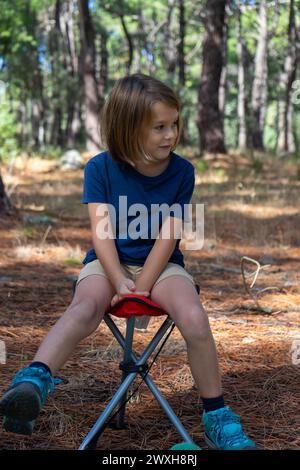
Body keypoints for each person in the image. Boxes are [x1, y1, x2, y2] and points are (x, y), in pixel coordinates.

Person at [0, 73, 256, 450]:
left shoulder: (182, 172)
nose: (171, 134)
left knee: (195, 318)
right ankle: (35, 379)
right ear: (127, 128)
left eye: (174, 124)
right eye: (159, 127)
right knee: (84, 305)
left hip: (162, 265)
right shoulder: (100, 168)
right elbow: (101, 233)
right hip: (108, 263)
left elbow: (169, 236)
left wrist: (141, 285)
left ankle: (217, 415)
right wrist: (119, 279)